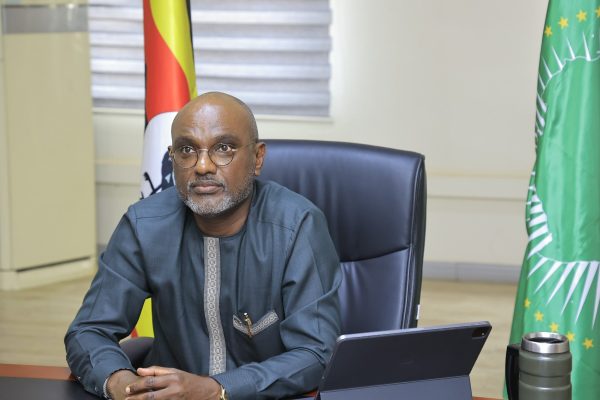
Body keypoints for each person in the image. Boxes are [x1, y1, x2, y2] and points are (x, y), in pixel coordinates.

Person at [65, 92, 342, 400]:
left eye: (223, 148)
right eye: (186, 150)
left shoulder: (296, 226)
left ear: (257, 158)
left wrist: (216, 389)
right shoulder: (144, 225)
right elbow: (88, 331)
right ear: (172, 158)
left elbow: (316, 352)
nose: (202, 166)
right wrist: (124, 385)